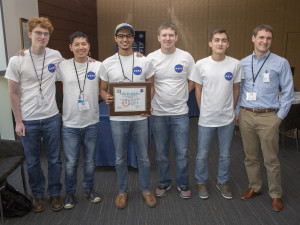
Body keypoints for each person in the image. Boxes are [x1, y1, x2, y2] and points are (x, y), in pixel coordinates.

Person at [5, 17, 63, 212]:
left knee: (54, 159)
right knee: (33, 162)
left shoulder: (55, 55)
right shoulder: (17, 59)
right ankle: (38, 195)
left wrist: (87, 59)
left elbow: (72, 69)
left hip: (51, 118)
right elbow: (12, 93)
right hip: (28, 120)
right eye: (38, 33)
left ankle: (55, 193)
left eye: (46, 34)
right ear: (29, 34)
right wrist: (18, 121)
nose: (42, 36)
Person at [235, 24, 294, 212]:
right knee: (250, 156)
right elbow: (240, 90)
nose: (264, 41)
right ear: (253, 38)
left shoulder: (281, 62)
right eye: (261, 37)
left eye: (268, 38)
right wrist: (237, 112)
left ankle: (276, 194)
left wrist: (279, 117)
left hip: (269, 116)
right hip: (246, 115)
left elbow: (288, 92)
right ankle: (255, 186)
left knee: (271, 159)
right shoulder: (242, 63)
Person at [99, 23, 156, 209]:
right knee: (120, 158)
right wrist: (105, 96)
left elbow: (151, 85)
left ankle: (146, 190)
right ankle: (122, 191)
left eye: (128, 36)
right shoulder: (107, 63)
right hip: (118, 119)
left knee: (144, 158)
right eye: (121, 36)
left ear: (133, 39)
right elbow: (102, 88)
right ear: (115, 38)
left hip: (140, 118)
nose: (125, 39)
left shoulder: (144, 61)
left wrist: (147, 105)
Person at [190, 29, 243, 200]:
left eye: (224, 40)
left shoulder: (235, 64)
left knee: (225, 153)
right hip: (206, 118)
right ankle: (201, 182)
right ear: (210, 43)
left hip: (227, 119)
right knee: (202, 153)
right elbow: (198, 90)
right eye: (217, 40)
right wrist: (202, 109)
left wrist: (233, 111)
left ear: (228, 44)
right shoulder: (201, 64)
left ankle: (222, 181)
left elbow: (236, 89)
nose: (220, 43)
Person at [147, 22, 195, 199]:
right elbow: (148, 83)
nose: (168, 38)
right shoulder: (151, 58)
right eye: (164, 35)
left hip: (180, 113)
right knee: (161, 153)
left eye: (171, 35)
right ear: (158, 37)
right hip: (158, 113)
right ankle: (164, 182)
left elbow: (193, 80)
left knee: (182, 153)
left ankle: (183, 184)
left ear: (176, 37)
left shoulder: (186, 57)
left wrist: (184, 93)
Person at [55, 32, 101, 209]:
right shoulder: (62, 66)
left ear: (89, 46)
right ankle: (70, 193)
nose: (81, 47)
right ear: (70, 47)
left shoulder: (98, 66)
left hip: (91, 122)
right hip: (70, 124)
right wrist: (22, 54)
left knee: (89, 161)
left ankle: (89, 190)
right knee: (71, 162)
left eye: (84, 43)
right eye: (77, 44)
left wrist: (137, 55)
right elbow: (41, 66)